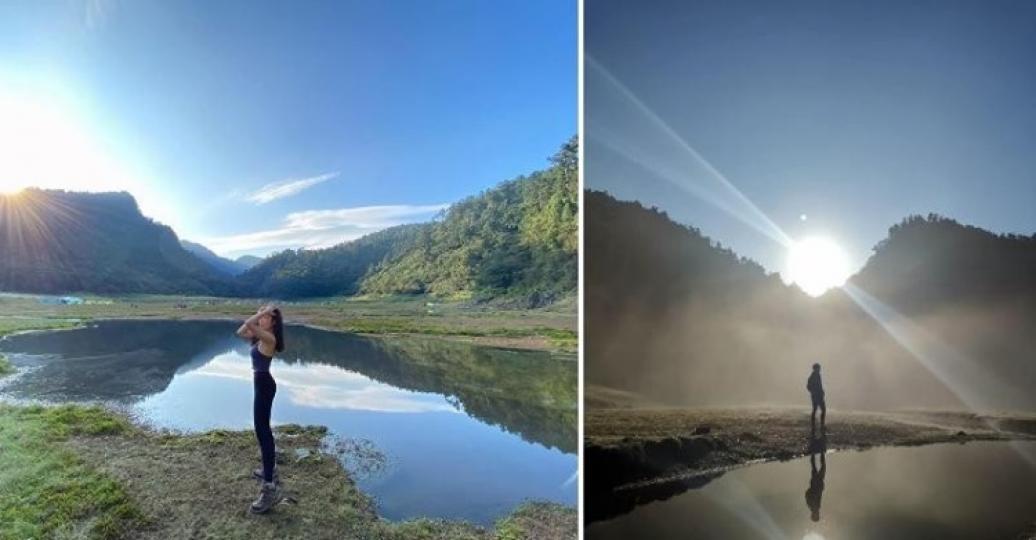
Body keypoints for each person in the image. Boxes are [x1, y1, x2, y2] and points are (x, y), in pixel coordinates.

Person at [237, 305, 285, 514]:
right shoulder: (261, 336)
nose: (261, 316)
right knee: (262, 429)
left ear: (272, 321)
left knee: (263, 431)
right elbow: (240, 331)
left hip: (264, 384)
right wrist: (263, 313)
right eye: (260, 314)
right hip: (262, 383)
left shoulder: (269, 338)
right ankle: (269, 470)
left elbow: (248, 324)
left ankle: (269, 487)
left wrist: (262, 314)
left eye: (265, 315)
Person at [804, 436, 826, 522]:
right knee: (818, 466)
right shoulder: (815, 507)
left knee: (816, 467)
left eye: (817, 516)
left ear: (813, 515)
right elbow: (809, 494)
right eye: (818, 515)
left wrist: (813, 489)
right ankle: (819, 451)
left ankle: (816, 451)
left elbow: (807, 494)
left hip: (816, 484)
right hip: (818, 483)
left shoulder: (812, 506)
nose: (818, 514)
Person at [807, 362, 826, 432]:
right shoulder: (813, 376)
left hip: (817, 395)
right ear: (815, 369)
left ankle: (816, 425)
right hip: (817, 396)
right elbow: (809, 387)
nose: (819, 369)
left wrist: (821, 391)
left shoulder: (817, 375)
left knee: (816, 409)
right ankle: (820, 425)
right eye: (818, 368)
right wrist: (815, 392)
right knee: (821, 409)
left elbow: (810, 387)